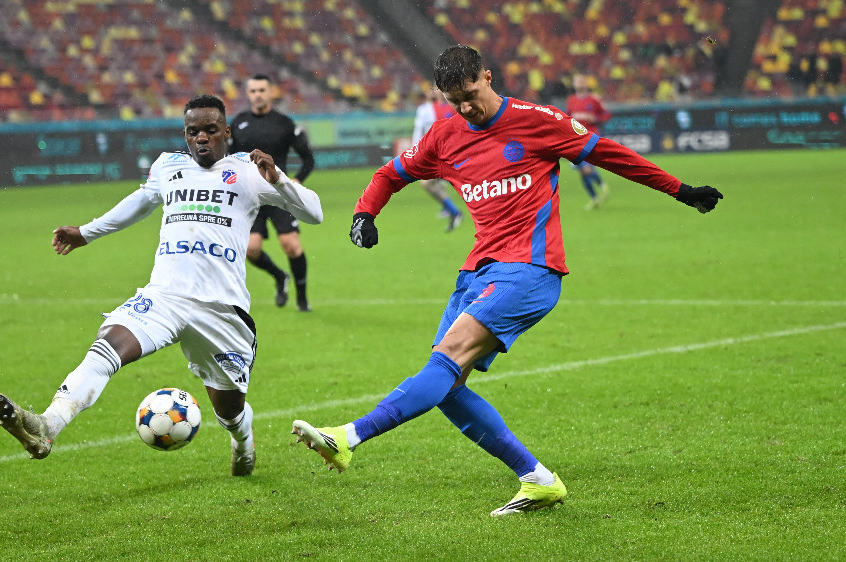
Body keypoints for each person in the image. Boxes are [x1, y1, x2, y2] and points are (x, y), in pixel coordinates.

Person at [291, 45, 722, 516]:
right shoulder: (445, 135)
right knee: (447, 387)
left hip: (531, 271)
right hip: (477, 272)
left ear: (488, 77)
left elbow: (611, 155)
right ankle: (536, 478)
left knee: (446, 361)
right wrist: (364, 213)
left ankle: (349, 436)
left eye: (471, 95)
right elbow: (390, 174)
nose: (465, 108)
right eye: (454, 100)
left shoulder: (538, 120)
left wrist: (680, 190)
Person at [0, 94, 323, 477]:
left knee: (229, 410)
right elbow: (141, 201)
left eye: (210, 130)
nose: (201, 138)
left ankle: (242, 441)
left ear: (226, 133)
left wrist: (278, 178)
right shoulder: (169, 166)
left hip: (221, 310)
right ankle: (46, 425)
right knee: (108, 348)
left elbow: (313, 212)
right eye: (192, 131)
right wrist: (86, 232)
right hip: (165, 295)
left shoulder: (248, 172)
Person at [229, 74, 316, 312]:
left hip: (278, 195)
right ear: (248, 94)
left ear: (270, 92)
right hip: (250, 196)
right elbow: (228, 160)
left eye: (262, 90)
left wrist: (297, 180)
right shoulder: (238, 123)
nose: (257, 94)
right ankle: (280, 277)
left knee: (291, 245)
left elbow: (308, 158)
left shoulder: (285, 123)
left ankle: (302, 298)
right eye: (253, 91)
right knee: (251, 249)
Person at [412, 86, 463, 231]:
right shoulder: (432, 108)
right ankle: (454, 212)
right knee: (427, 183)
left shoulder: (456, 106)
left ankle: (455, 212)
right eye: (434, 88)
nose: (434, 90)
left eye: (437, 87)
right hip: (443, 156)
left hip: (457, 154)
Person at [565, 73, 612, 210]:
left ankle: (602, 185)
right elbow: (568, 117)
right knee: (582, 171)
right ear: (574, 84)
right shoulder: (571, 100)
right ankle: (595, 198)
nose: (579, 83)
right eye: (577, 81)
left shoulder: (594, 100)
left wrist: (596, 119)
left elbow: (606, 114)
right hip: (575, 140)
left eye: (581, 80)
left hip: (591, 138)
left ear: (586, 83)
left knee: (586, 168)